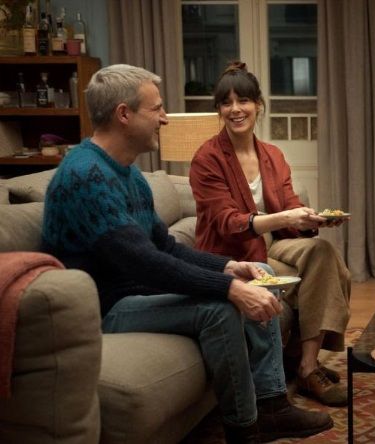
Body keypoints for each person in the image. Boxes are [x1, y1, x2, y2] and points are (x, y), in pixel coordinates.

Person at [40, 64, 333, 443]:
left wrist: (230, 266)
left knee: (253, 275)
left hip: (137, 293)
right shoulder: (85, 176)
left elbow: (164, 246)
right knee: (220, 308)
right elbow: (144, 263)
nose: (165, 118)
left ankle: (273, 406)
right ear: (124, 114)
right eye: (157, 109)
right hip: (103, 308)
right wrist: (228, 287)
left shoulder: (129, 174)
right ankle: (245, 429)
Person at [189, 62, 351, 407]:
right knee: (323, 267)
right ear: (219, 110)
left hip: (271, 245)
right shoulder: (207, 158)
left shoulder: (273, 155)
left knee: (322, 251)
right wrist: (284, 216)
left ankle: (307, 366)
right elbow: (227, 222)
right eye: (226, 103)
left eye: (244, 100)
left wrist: (311, 220)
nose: (235, 109)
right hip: (231, 255)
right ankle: (304, 367)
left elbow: (290, 206)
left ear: (258, 105)